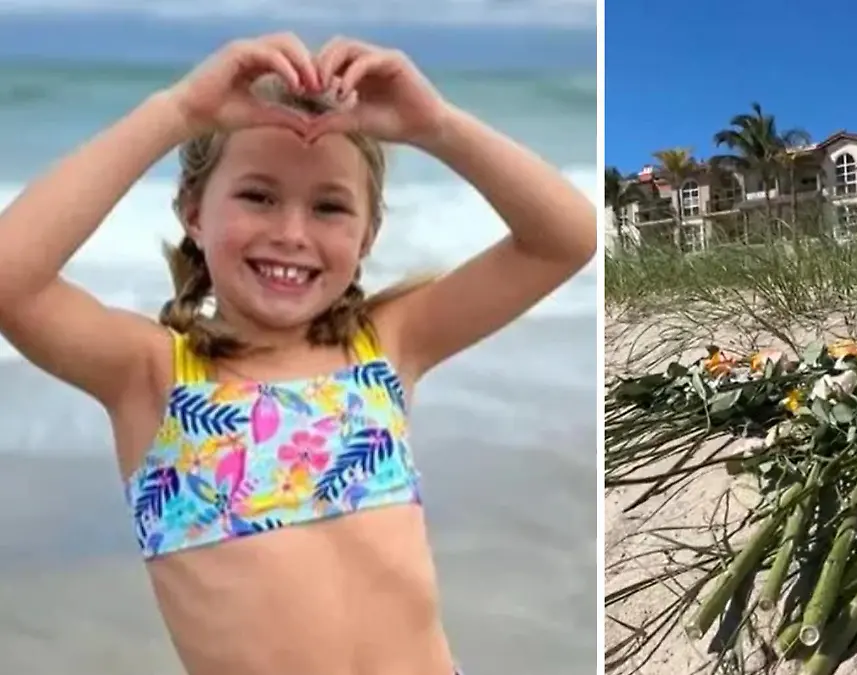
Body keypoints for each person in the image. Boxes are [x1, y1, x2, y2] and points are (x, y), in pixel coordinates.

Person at [0, 33, 595, 675]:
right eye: (258, 195)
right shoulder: (152, 375)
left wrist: (438, 126)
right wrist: (176, 113)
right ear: (193, 212)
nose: (291, 233)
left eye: (330, 206)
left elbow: (565, 237)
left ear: (367, 235)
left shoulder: (385, 345)